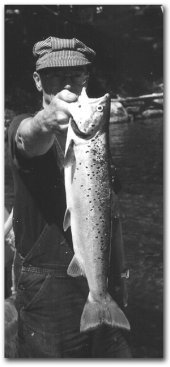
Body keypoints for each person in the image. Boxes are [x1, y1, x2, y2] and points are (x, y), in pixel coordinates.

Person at [7, 36, 131, 358]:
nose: (66, 84)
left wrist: (122, 275)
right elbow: (27, 140)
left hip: (101, 280)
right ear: (37, 81)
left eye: (75, 75)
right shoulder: (23, 126)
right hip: (46, 296)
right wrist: (46, 122)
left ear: (86, 78)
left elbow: (109, 214)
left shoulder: (93, 140)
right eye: (54, 76)